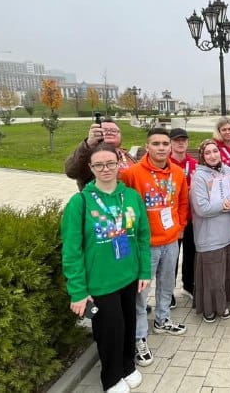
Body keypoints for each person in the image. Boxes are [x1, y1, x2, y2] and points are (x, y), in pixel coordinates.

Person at [61, 144, 152, 392]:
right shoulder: (80, 203)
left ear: (118, 164)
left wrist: (144, 270)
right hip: (100, 282)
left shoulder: (131, 197)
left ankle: (127, 366)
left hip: (129, 276)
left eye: (110, 163)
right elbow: (71, 251)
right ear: (90, 168)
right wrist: (77, 291)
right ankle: (111, 378)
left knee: (128, 324)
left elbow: (143, 236)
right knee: (109, 331)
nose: (106, 169)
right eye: (99, 165)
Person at [119, 128, 189, 366]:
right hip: (145, 245)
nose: (161, 148)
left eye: (165, 143)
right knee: (141, 294)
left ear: (170, 147)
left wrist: (180, 225)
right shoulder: (132, 174)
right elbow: (123, 204)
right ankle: (139, 337)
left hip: (170, 241)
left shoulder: (178, 173)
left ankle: (162, 320)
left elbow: (182, 201)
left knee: (167, 284)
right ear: (146, 146)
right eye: (156, 143)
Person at [190, 140, 230, 322]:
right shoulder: (199, 177)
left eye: (215, 151)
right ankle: (210, 307)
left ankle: (226, 300)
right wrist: (225, 204)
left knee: (226, 272)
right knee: (213, 275)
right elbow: (202, 208)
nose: (213, 155)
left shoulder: (228, 171)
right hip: (210, 236)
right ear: (202, 156)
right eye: (208, 153)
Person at [64, 118, 137, 190]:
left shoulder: (126, 155)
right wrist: (88, 144)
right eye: (104, 130)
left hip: (129, 199)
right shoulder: (89, 154)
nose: (109, 132)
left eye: (114, 131)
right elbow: (72, 172)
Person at [169, 128, 197, 303]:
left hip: (192, 218)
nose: (181, 143)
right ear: (171, 143)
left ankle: (188, 285)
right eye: (177, 140)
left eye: (184, 140)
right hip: (172, 219)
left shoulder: (194, 164)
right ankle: (168, 292)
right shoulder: (166, 164)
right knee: (171, 258)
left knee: (191, 253)